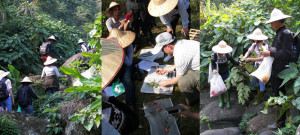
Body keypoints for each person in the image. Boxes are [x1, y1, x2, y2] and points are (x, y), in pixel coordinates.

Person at [154, 32, 200, 106]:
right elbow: (181, 64)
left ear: (168, 46)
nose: (163, 52)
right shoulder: (181, 43)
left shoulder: (180, 55)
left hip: (204, 70)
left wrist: (166, 82)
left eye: (162, 50)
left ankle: (194, 99)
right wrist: (165, 70)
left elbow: (178, 78)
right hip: (202, 63)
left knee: (183, 82)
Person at [260, 8, 293, 96]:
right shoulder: (279, 32)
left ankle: (281, 107)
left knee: (279, 88)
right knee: (275, 86)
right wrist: (269, 49)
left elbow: (286, 54)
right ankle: (277, 104)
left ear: (278, 21)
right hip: (276, 65)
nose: (271, 24)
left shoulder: (285, 33)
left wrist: (270, 53)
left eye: (272, 22)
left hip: (282, 67)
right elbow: (278, 48)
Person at [107, 29, 136, 110]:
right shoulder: (111, 48)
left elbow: (129, 63)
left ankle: (131, 104)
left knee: (127, 80)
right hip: (116, 67)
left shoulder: (129, 46)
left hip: (126, 65)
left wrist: (123, 53)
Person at [243, 28, 269, 105]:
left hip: (263, 66)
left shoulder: (264, 46)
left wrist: (250, 59)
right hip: (257, 65)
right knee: (254, 82)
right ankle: (260, 92)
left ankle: (260, 98)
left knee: (261, 83)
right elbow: (249, 50)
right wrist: (245, 55)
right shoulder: (255, 45)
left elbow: (262, 58)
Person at [211, 40, 240, 108]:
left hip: (226, 72)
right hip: (218, 74)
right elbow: (212, 64)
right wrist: (213, 70)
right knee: (219, 87)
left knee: (227, 87)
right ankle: (221, 101)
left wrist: (239, 63)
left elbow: (233, 61)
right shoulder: (214, 55)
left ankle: (228, 101)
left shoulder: (227, 54)